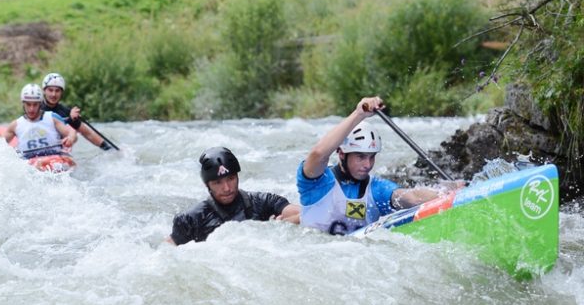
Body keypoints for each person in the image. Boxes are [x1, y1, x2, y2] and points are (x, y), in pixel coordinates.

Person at [297, 96, 456, 235]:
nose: (368, 164)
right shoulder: (317, 182)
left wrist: (448, 193)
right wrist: (359, 114)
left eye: (372, 157)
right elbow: (318, 154)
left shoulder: (376, 188)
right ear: (342, 154)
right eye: (360, 157)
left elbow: (411, 197)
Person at [167, 147, 301, 246]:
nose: (227, 188)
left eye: (230, 178)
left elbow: (307, 214)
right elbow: (165, 254)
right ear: (207, 185)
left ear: (237, 176)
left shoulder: (264, 202)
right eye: (218, 182)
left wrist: (280, 226)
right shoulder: (190, 220)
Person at [41, 72, 113, 151]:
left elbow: (88, 134)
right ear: (44, 91)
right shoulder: (36, 109)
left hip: (58, 152)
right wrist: (69, 120)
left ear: (61, 93)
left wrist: (106, 147)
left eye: (57, 91)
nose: (54, 94)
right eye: (50, 90)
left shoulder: (66, 112)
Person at [3, 83, 77, 158]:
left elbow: (71, 131)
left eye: (35, 104)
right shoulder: (15, 125)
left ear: (40, 104)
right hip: (29, 164)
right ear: (23, 104)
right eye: (28, 104)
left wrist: (70, 138)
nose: (31, 109)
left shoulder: (52, 118)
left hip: (54, 160)